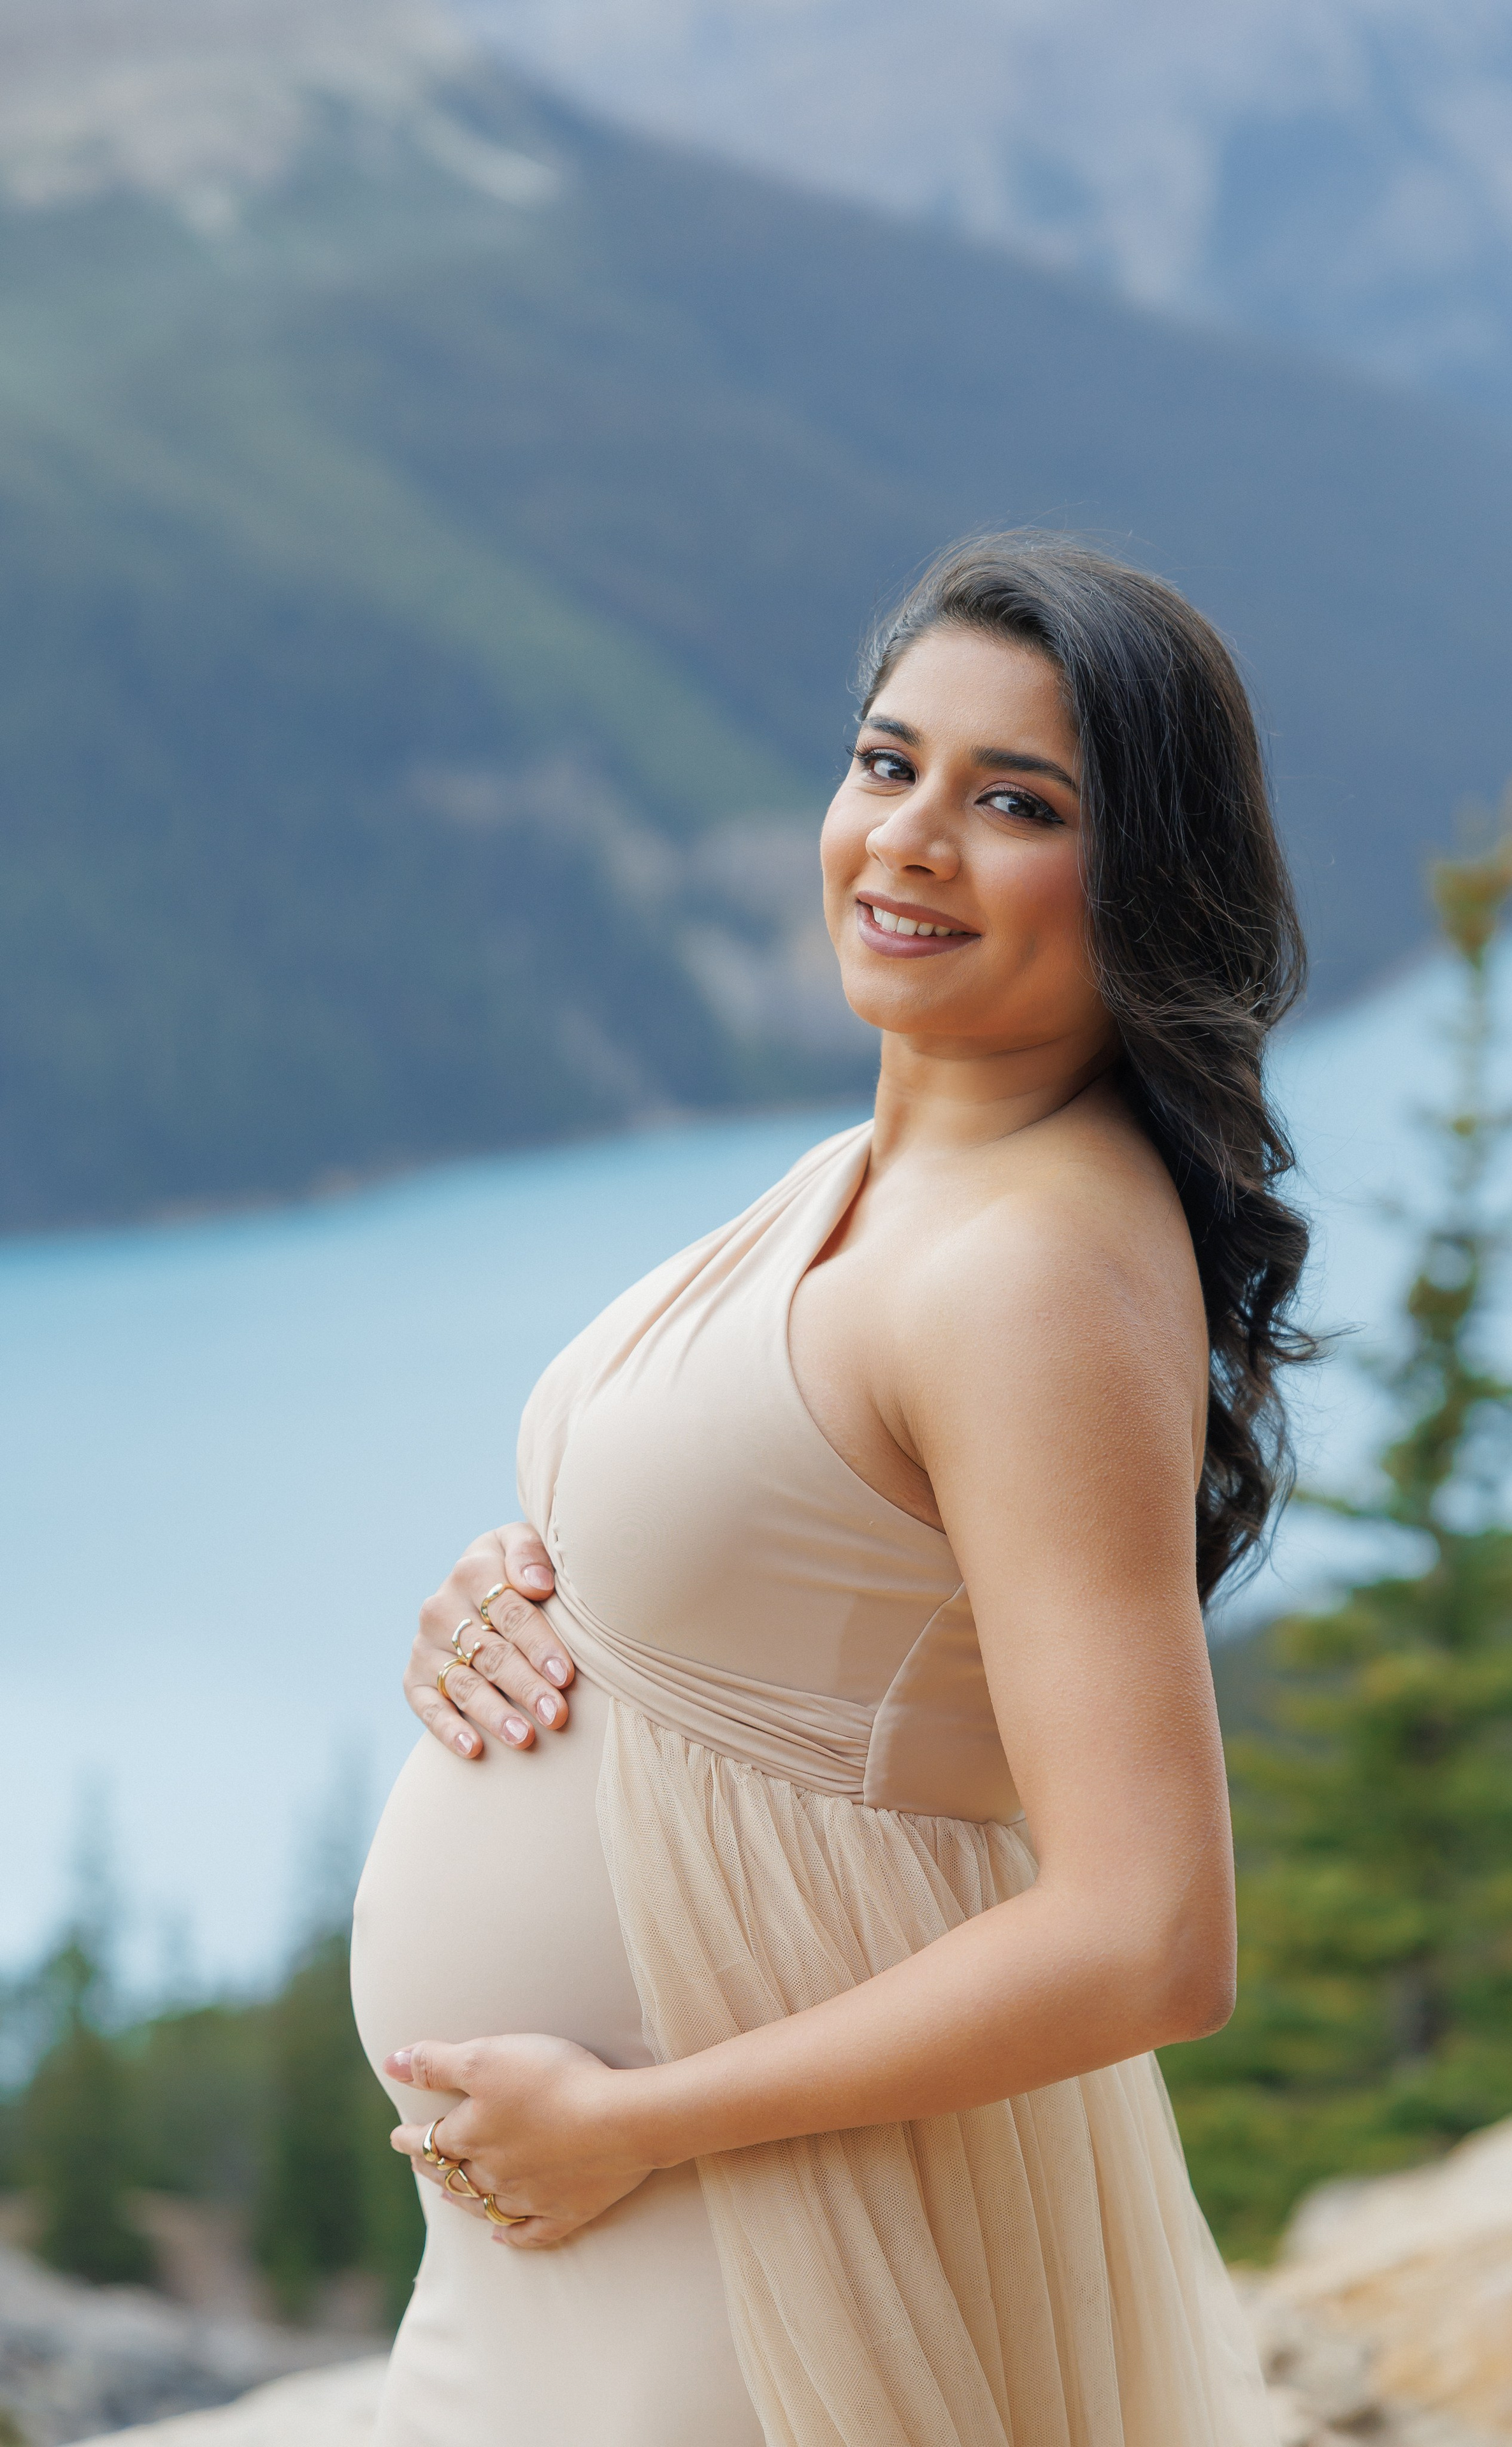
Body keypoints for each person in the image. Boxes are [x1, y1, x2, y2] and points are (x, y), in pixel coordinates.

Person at [349, 531, 1311, 2445]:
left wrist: (630, 2121)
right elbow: (799, 1581)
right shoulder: (877, 1173)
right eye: (888, 764)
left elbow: (1152, 1933)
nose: (911, 840)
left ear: (1145, 878)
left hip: (757, 2250)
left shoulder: (1038, 1267)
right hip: (608, 2233)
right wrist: (531, 1603)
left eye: (1016, 802)